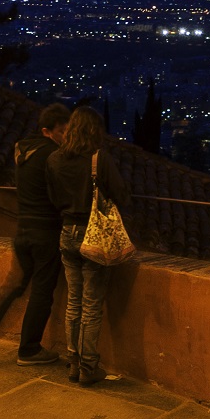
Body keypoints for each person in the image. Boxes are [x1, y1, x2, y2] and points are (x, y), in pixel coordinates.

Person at [0, 102, 71, 368]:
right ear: (47, 131)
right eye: (62, 131)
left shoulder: (23, 152)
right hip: (45, 232)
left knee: (13, 285)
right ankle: (29, 349)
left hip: (23, 230)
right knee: (42, 290)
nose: (66, 137)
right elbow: (62, 195)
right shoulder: (53, 155)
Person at [46, 106, 129, 385]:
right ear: (94, 131)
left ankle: (73, 362)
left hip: (66, 232)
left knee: (74, 300)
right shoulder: (98, 159)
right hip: (92, 235)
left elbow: (53, 197)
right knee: (91, 305)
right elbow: (121, 193)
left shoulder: (54, 158)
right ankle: (88, 367)